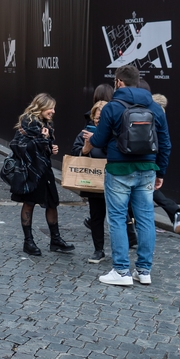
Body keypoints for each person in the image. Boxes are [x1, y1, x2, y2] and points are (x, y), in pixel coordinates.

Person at [89, 65, 171, 287]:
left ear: (118, 82)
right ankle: (144, 271)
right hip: (147, 169)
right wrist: (160, 171)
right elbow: (165, 143)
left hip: (118, 170)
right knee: (145, 219)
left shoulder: (112, 108)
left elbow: (97, 141)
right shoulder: (154, 107)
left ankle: (122, 271)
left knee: (117, 219)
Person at [10, 94, 74, 256]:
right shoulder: (27, 123)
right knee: (29, 203)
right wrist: (43, 140)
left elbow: (42, 148)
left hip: (44, 169)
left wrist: (50, 148)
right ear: (40, 106)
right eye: (50, 107)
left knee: (52, 203)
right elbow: (19, 147)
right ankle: (28, 241)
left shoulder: (46, 124)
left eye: (54, 108)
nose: (53, 111)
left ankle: (55, 239)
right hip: (31, 171)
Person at [72, 101, 108, 264]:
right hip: (94, 181)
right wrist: (85, 149)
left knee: (118, 218)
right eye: (97, 117)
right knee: (96, 217)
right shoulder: (85, 133)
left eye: (103, 117)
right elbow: (75, 155)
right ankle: (98, 249)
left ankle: (122, 250)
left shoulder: (114, 132)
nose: (99, 121)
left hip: (114, 180)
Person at [150, 93, 180, 233]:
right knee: (150, 191)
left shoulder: (146, 111)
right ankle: (175, 212)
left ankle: (132, 226)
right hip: (153, 158)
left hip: (141, 158)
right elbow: (165, 145)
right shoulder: (160, 113)